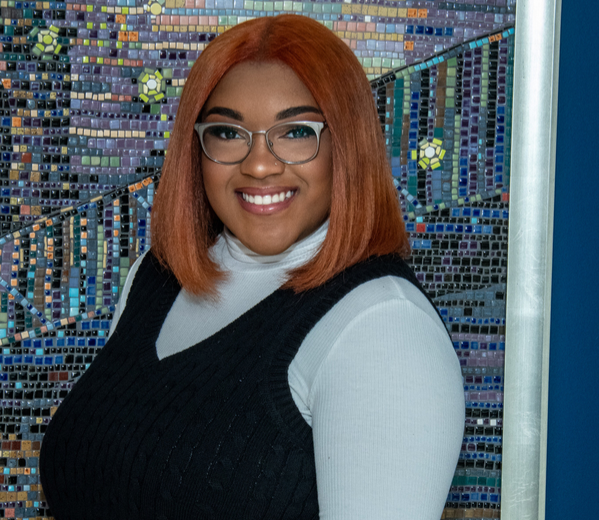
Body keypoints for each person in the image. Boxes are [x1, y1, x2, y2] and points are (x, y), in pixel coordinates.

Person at [39, 14, 464, 520]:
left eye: (297, 132)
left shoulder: (382, 324)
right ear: (197, 149)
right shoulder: (152, 278)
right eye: (227, 132)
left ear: (347, 147)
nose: (259, 165)